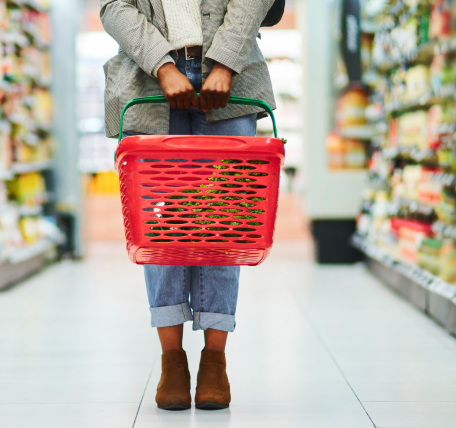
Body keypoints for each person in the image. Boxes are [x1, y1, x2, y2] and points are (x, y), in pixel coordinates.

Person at [100, 0, 276, 411]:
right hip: (148, 80)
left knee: (225, 221)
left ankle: (215, 359)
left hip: (231, 78)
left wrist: (225, 63)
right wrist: (162, 65)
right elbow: (113, 6)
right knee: (160, 225)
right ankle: (172, 360)